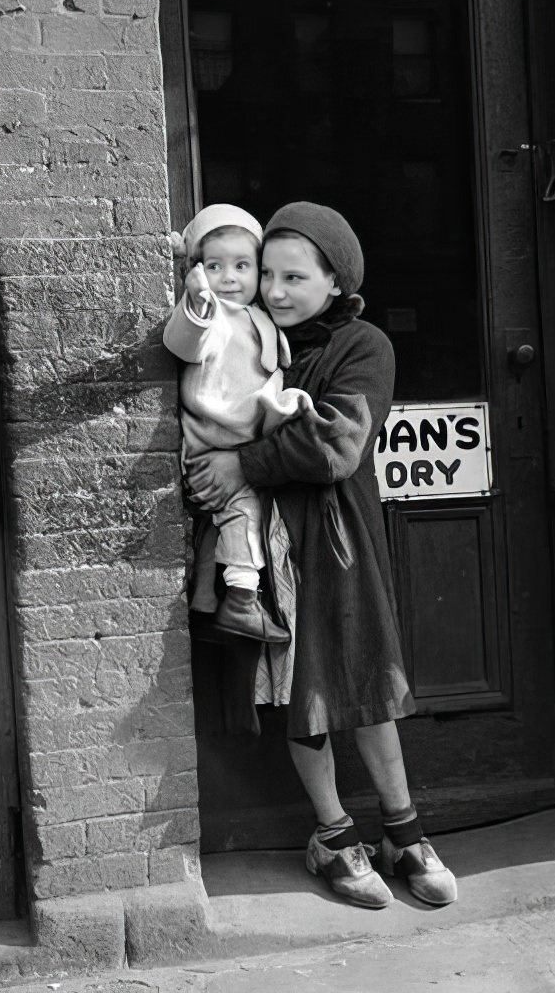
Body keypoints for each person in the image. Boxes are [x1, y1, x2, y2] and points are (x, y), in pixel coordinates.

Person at [186, 201, 457, 909]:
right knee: (295, 689)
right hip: (270, 545)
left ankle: (403, 830)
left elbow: (334, 447)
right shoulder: (249, 338)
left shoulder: (364, 346)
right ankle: (332, 835)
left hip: (338, 542)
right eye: (265, 272)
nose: (273, 290)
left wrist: (243, 463)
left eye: (294, 277)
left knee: (367, 678)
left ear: (335, 281)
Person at [164, 203, 314, 645]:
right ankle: (242, 602)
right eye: (215, 266)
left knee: (220, 524)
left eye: (242, 265)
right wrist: (196, 303)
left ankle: (206, 599)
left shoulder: (260, 317)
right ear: (198, 270)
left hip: (238, 444)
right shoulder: (214, 316)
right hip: (214, 447)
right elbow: (185, 341)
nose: (229, 277)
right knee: (243, 509)